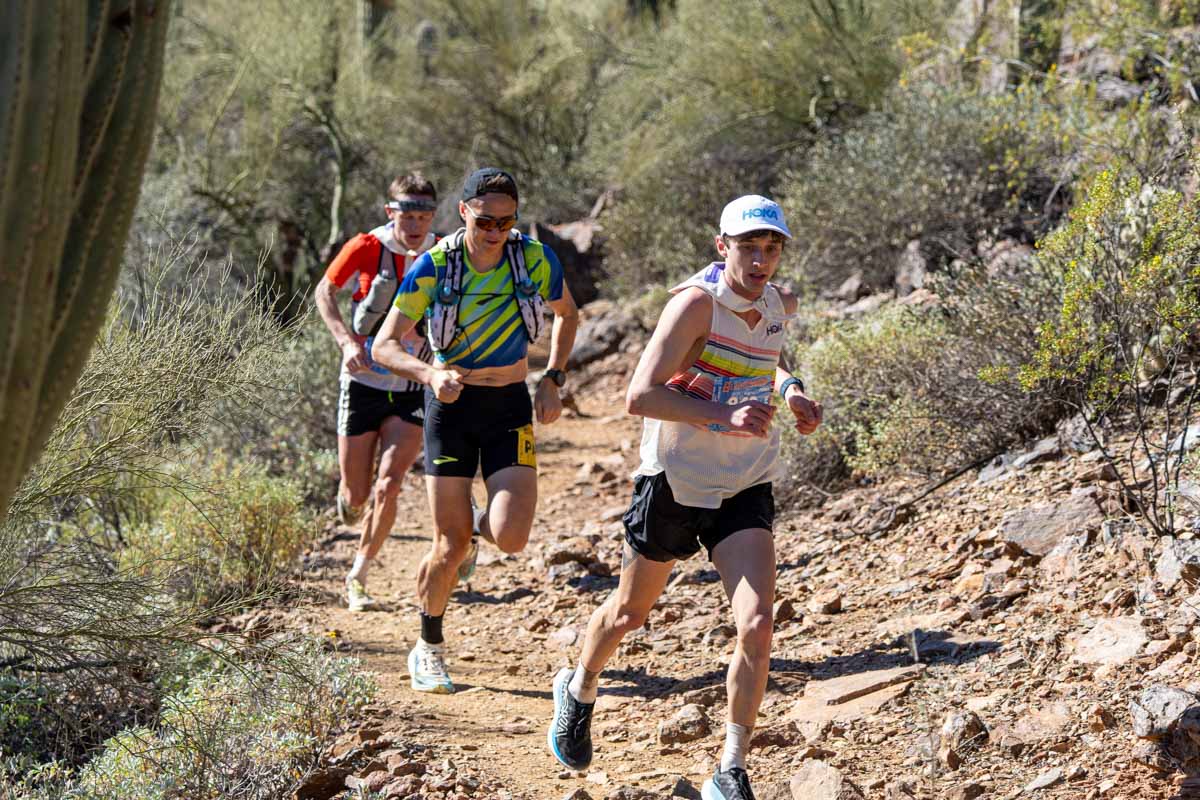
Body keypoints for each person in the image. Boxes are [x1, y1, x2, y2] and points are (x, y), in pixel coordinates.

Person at [546, 196, 823, 800]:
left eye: (772, 247)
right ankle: (580, 685)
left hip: (745, 481)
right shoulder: (695, 305)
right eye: (748, 246)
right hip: (674, 479)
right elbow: (638, 396)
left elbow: (766, 357)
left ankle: (731, 767)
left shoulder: (777, 302)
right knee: (629, 613)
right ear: (722, 247)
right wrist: (723, 414)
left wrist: (793, 390)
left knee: (756, 623)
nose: (761, 258)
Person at [372, 167, 579, 694]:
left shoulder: (532, 256)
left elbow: (567, 314)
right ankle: (429, 648)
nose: (495, 231)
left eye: (506, 222)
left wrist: (552, 378)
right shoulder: (435, 266)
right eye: (486, 220)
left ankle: (470, 534)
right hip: (451, 405)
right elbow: (384, 344)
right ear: (463, 212)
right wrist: (429, 372)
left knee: (511, 537)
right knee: (449, 542)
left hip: (509, 401)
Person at [314, 173, 440, 613]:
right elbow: (325, 290)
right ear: (392, 214)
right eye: (408, 215)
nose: (416, 225)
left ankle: (358, 575)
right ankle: (350, 502)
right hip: (364, 381)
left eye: (424, 215)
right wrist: (347, 342)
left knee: (390, 483)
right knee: (358, 495)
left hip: (410, 384)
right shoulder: (368, 246)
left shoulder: (442, 253)